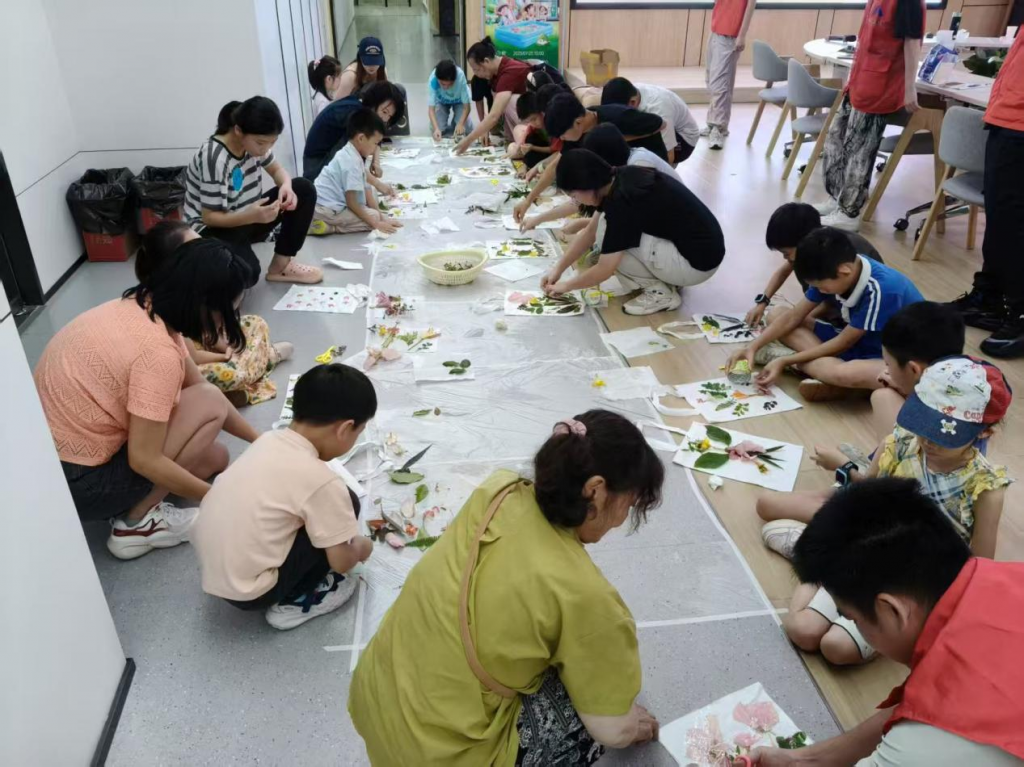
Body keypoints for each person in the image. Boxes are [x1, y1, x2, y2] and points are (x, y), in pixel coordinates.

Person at [349, 410, 663, 765]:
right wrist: (628, 725)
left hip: (377, 696)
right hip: (438, 755)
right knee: (588, 715)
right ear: (596, 491)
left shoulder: (499, 490)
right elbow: (611, 731)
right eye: (628, 504)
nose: (622, 520)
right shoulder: (587, 596)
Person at [748, 478, 1024, 766]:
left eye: (850, 617)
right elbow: (916, 704)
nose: (853, 624)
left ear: (891, 611)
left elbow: (930, 719)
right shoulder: (998, 578)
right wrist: (802, 760)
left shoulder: (924, 748)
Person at [758, 357, 1012, 666]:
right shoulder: (900, 442)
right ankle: (819, 569)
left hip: (915, 587)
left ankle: (816, 561)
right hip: (866, 557)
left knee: (837, 648)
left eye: (943, 435)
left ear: (985, 433)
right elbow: (866, 498)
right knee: (802, 630)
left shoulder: (986, 486)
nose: (928, 441)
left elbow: (980, 566)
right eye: (923, 425)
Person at [34, 239, 260, 560]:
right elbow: (144, 458)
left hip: (48, 465)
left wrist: (261, 440)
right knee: (207, 403)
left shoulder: (143, 306)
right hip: (81, 484)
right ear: (203, 305)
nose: (227, 321)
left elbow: (197, 385)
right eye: (227, 312)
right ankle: (135, 525)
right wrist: (222, 501)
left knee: (216, 457)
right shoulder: (157, 354)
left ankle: (139, 503)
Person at [192, 364, 374, 630]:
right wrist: (360, 547)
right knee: (347, 503)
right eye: (359, 432)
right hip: (252, 593)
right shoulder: (322, 481)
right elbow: (341, 562)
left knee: (328, 505)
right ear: (345, 429)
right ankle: (297, 599)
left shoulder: (267, 440)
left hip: (213, 571)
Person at [729, 227, 923, 401]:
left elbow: (844, 342)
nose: (821, 291)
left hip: (889, 357)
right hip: (854, 341)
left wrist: (786, 360)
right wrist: (752, 347)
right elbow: (794, 316)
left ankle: (819, 372)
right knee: (777, 314)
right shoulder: (835, 268)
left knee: (843, 373)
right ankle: (826, 373)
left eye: (822, 287)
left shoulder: (883, 289)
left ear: (844, 271)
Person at [543, 149, 724, 315]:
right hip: (701, 252)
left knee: (607, 238)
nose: (577, 201)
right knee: (603, 229)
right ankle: (668, 280)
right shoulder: (620, 176)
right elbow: (589, 232)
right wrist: (558, 269)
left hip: (696, 266)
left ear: (588, 185)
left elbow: (605, 269)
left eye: (575, 196)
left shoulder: (621, 202)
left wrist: (566, 286)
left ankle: (660, 294)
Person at [137, 221, 294, 407]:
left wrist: (223, 344)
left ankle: (251, 368)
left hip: (203, 345)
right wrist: (226, 356)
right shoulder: (168, 310)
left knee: (255, 322)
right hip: (188, 367)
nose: (206, 252)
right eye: (196, 249)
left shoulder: (187, 293)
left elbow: (206, 331)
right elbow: (192, 357)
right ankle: (266, 359)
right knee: (233, 374)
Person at [946, 30, 1024, 358]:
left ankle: (1020, 312)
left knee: (1014, 225)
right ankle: (989, 297)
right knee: (1001, 220)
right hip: (1008, 116)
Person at [184, 97, 321, 285]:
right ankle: (207, 265)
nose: (266, 149)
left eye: (272, 143)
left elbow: (277, 170)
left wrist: (286, 187)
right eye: (261, 143)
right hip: (213, 230)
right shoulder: (215, 158)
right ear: (238, 131)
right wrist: (252, 216)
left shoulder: (254, 143)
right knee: (248, 274)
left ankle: (280, 266)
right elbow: (210, 218)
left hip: (247, 217)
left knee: (303, 189)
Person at [817, 0, 926, 232]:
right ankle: (836, 197)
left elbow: (912, 42)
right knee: (835, 139)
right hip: (860, 80)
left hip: (880, 84)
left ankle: (849, 212)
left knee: (859, 151)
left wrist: (910, 87)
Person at [512, 93, 668, 224]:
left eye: (562, 135)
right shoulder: (575, 132)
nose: (562, 139)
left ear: (578, 122)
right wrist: (528, 200)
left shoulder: (618, 117)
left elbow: (661, 123)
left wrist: (622, 138)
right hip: (621, 173)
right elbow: (554, 166)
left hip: (647, 172)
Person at [745, 202, 883, 327]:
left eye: (786, 253)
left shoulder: (834, 255)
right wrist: (763, 302)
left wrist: (798, 319)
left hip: (857, 318)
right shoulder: (816, 240)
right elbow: (784, 271)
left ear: (803, 242)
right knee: (780, 318)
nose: (785, 258)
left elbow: (830, 302)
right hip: (833, 304)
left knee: (785, 322)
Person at [520, 124, 676, 233]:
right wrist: (538, 219)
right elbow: (577, 202)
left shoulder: (637, 165)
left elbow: (635, 218)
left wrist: (586, 224)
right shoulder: (620, 168)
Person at [870, 301, 965, 440]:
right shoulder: (965, 377)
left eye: (888, 364)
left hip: (923, 450)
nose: (887, 370)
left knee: (882, 397)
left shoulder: (936, 408)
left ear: (913, 369)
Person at [309, 108, 401, 236]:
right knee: (372, 217)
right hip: (324, 210)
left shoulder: (352, 152)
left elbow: (367, 189)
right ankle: (330, 227)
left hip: (326, 205)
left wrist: (383, 217)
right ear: (361, 138)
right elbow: (352, 203)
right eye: (375, 143)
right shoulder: (351, 163)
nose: (375, 148)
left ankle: (328, 224)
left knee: (374, 208)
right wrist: (377, 224)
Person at [302, 81, 406, 180]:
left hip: (323, 161)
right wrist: (378, 185)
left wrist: (375, 162)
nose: (385, 119)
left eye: (389, 116)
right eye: (384, 112)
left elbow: (374, 139)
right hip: (316, 168)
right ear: (375, 102)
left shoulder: (362, 106)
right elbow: (350, 161)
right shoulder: (355, 113)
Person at [456, 37, 533, 152]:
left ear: (486, 61)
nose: (476, 73)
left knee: (508, 101)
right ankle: (513, 139)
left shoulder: (508, 73)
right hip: (525, 114)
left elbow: (494, 116)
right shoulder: (496, 72)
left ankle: (528, 140)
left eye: (476, 69)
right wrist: (484, 129)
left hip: (539, 116)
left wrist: (468, 140)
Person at [600, 77, 700, 164]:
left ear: (632, 102)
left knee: (639, 154)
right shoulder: (629, 93)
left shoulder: (659, 110)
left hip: (683, 140)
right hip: (660, 123)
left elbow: (669, 156)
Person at [703, 0, 757, 149]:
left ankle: (718, 127)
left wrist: (742, 35)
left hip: (730, 35)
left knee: (721, 84)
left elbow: (751, 4)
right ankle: (714, 124)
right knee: (711, 80)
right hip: (716, 30)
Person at [506, 92, 553, 170]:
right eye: (529, 121)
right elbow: (525, 135)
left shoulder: (551, 123)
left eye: (534, 119)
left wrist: (533, 147)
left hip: (552, 153)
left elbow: (555, 150)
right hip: (542, 149)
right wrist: (519, 148)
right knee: (512, 148)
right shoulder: (533, 126)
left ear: (542, 111)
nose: (533, 123)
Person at [428, 58, 472, 140]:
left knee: (465, 129)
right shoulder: (433, 79)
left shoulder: (460, 76)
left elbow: (467, 107)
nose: (446, 87)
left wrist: (461, 123)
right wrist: (436, 129)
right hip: (441, 101)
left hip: (459, 100)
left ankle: (456, 122)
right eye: (442, 84)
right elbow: (431, 110)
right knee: (438, 128)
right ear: (437, 79)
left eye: (450, 84)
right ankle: (447, 124)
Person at [334, 36, 389, 100]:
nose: (372, 66)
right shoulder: (350, 76)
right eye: (368, 62)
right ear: (360, 58)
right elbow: (338, 103)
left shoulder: (382, 71)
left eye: (375, 62)